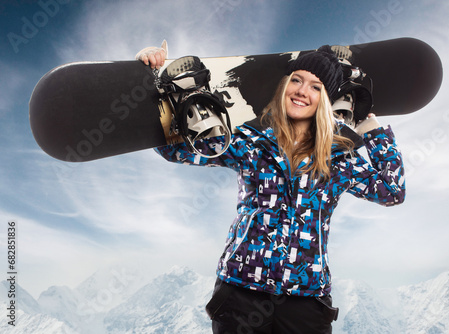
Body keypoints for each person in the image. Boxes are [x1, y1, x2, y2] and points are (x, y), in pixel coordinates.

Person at [136, 42, 405, 334]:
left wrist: (372, 127)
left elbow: (392, 190)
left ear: (325, 101)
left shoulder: (337, 159)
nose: (303, 91)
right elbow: (175, 150)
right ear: (284, 87)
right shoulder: (250, 143)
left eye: (316, 87)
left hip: (306, 304)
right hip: (240, 294)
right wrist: (151, 77)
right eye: (297, 80)